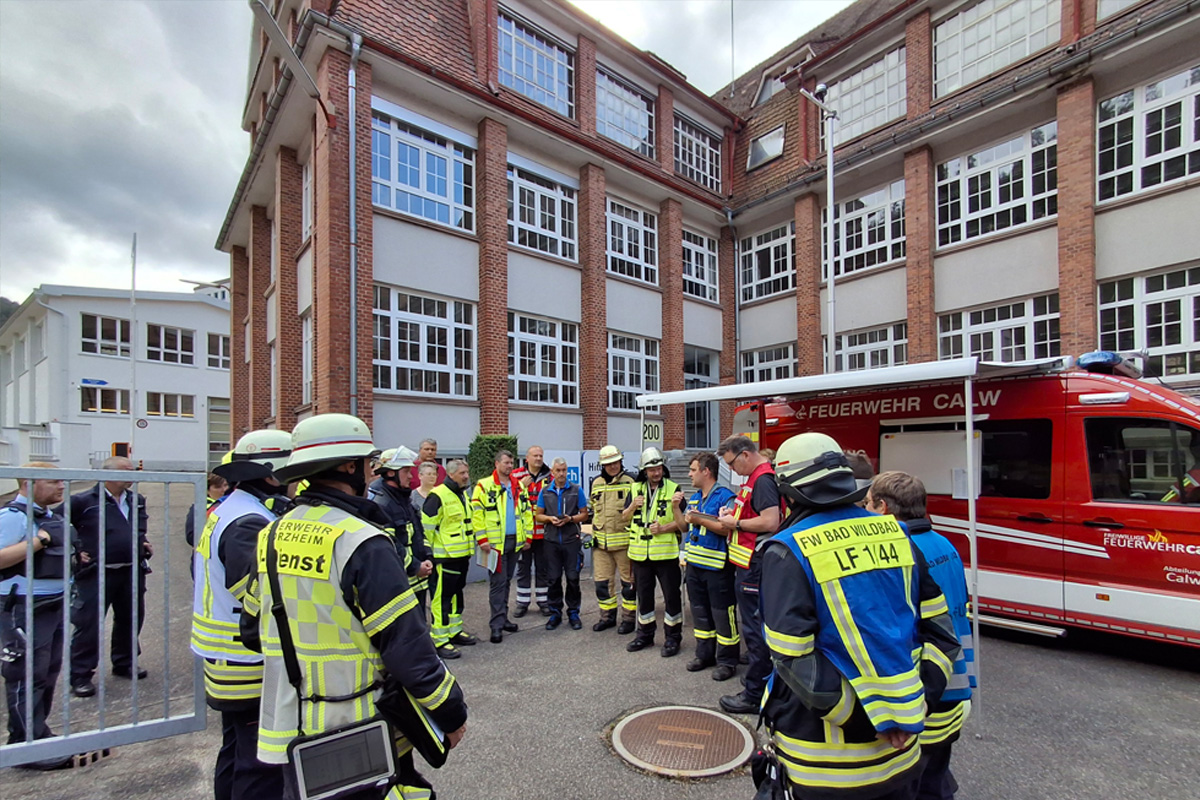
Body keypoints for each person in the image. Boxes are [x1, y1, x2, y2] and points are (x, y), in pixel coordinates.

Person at [240, 413, 467, 800]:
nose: (371, 469)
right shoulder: (362, 541)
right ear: (350, 466)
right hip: (358, 725)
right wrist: (451, 711)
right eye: (367, 462)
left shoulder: (273, 533)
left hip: (292, 724)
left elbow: (251, 631)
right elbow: (406, 646)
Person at [758, 432, 961, 800]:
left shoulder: (786, 551)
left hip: (827, 765)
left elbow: (792, 659)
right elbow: (943, 635)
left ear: (787, 491)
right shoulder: (897, 534)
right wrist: (911, 709)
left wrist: (869, 721)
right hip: (903, 754)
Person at [191, 430, 292, 800]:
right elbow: (255, 593)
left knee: (234, 750)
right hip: (244, 659)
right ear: (269, 473)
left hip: (224, 657)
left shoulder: (230, 508)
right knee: (259, 764)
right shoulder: (249, 522)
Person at [867, 472, 975, 800]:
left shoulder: (901, 553)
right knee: (936, 778)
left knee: (912, 784)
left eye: (868, 504)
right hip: (956, 689)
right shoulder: (944, 543)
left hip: (927, 695)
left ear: (883, 507)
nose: (864, 510)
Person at [0, 464, 74, 765]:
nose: (61, 486)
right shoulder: (12, 517)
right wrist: (40, 541)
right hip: (23, 608)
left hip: (50, 605)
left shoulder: (48, 516)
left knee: (47, 672)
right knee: (25, 675)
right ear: (29, 485)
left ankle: (38, 733)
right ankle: (24, 746)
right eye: (53, 481)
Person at [66, 456, 152, 697]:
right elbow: (58, 525)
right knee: (88, 624)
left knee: (131, 618)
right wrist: (75, 550)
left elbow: (136, 528)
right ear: (109, 474)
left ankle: (124, 662)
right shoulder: (83, 501)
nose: (133, 474)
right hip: (96, 573)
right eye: (127, 470)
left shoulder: (136, 501)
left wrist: (142, 542)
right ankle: (81, 674)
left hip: (131, 570)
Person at [714, 435, 782, 715]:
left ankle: (755, 695)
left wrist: (736, 522)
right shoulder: (755, 478)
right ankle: (760, 681)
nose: (732, 470)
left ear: (744, 454)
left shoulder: (763, 479)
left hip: (755, 566)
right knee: (754, 630)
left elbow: (770, 521)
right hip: (748, 565)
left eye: (731, 463)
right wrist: (733, 512)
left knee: (755, 632)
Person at [675, 452, 739, 680]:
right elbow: (684, 527)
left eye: (693, 470)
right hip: (695, 566)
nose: (690, 474)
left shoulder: (725, 497)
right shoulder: (694, 498)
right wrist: (676, 508)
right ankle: (705, 654)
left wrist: (701, 519)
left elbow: (727, 528)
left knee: (722, 615)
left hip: (718, 569)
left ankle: (727, 660)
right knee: (700, 613)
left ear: (706, 471)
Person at [622, 447, 685, 657]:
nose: (656, 473)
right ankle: (645, 635)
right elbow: (623, 517)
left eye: (658, 468)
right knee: (644, 597)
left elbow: (684, 524)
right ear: (644, 471)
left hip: (666, 554)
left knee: (672, 597)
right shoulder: (635, 488)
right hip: (640, 554)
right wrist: (632, 507)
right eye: (651, 470)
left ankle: (672, 638)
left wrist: (664, 528)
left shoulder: (674, 488)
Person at [472, 450, 532, 644]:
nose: (510, 466)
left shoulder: (518, 487)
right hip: (494, 545)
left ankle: (503, 618)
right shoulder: (484, 485)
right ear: (497, 463)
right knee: (498, 583)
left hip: (514, 541)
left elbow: (527, 513)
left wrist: (528, 537)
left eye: (511, 463)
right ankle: (496, 625)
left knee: (506, 581)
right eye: (506, 462)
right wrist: (482, 539)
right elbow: (477, 515)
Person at [421, 459, 478, 660]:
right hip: (444, 558)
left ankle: (454, 631)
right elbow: (426, 528)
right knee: (441, 599)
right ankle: (440, 640)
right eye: (462, 473)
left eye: (467, 472)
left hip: (461, 555)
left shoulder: (461, 495)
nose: (466, 476)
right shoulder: (438, 496)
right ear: (451, 474)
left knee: (456, 597)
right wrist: (428, 555)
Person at [372, 447, 434, 619]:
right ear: (391, 473)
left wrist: (428, 556)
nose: (411, 476)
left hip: (417, 582)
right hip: (400, 584)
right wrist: (415, 566)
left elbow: (419, 534)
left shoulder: (404, 500)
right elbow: (390, 544)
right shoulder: (382, 504)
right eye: (406, 471)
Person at [533, 457, 588, 631]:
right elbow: (538, 515)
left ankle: (573, 612)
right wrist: (549, 519)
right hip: (551, 542)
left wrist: (571, 519)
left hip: (571, 540)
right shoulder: (545, 491)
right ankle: (555, 612)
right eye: (558, 470)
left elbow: (585, 514)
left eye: (564, 470)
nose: (562, 473)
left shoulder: (576, 490)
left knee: (573, 578)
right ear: (552, 472)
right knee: (553, 579)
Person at [587, 445, 637, 634]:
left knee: (628, 585)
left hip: (625, 544)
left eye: (616, 462)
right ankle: (607, 617)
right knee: (602, 584)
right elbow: (594, 508)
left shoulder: (631, 480)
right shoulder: (596, 482)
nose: (613, 466)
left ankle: (628, 619)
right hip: (601, 545)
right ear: (603, 465)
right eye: (609, 463)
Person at [512, 445, 551, 618]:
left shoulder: (550, 476)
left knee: (543, 568)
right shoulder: (516, 475)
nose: (538, 458)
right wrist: (521, 486)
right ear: (526, 458)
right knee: (523, 569)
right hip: (524, 534)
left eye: (541, 455)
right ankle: (522, 602)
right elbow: (509, 497)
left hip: (544, 533)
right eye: (535, 455)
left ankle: (543, 601)